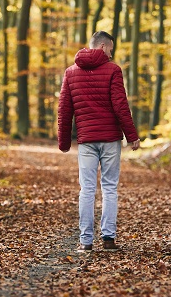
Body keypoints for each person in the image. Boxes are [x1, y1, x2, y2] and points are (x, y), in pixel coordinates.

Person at [58, 31, 141, 252]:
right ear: (103, 46)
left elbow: (65, 109)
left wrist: (64, 141)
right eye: (111, 48)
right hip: (110, 139)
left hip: (86, 140)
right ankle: (108, 239)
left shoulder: (70, 72)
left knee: (86, 189)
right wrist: (132, 135)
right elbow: (120, 105)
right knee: (109, 188)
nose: (111, 53)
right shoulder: (113, 70)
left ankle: (85, 242)